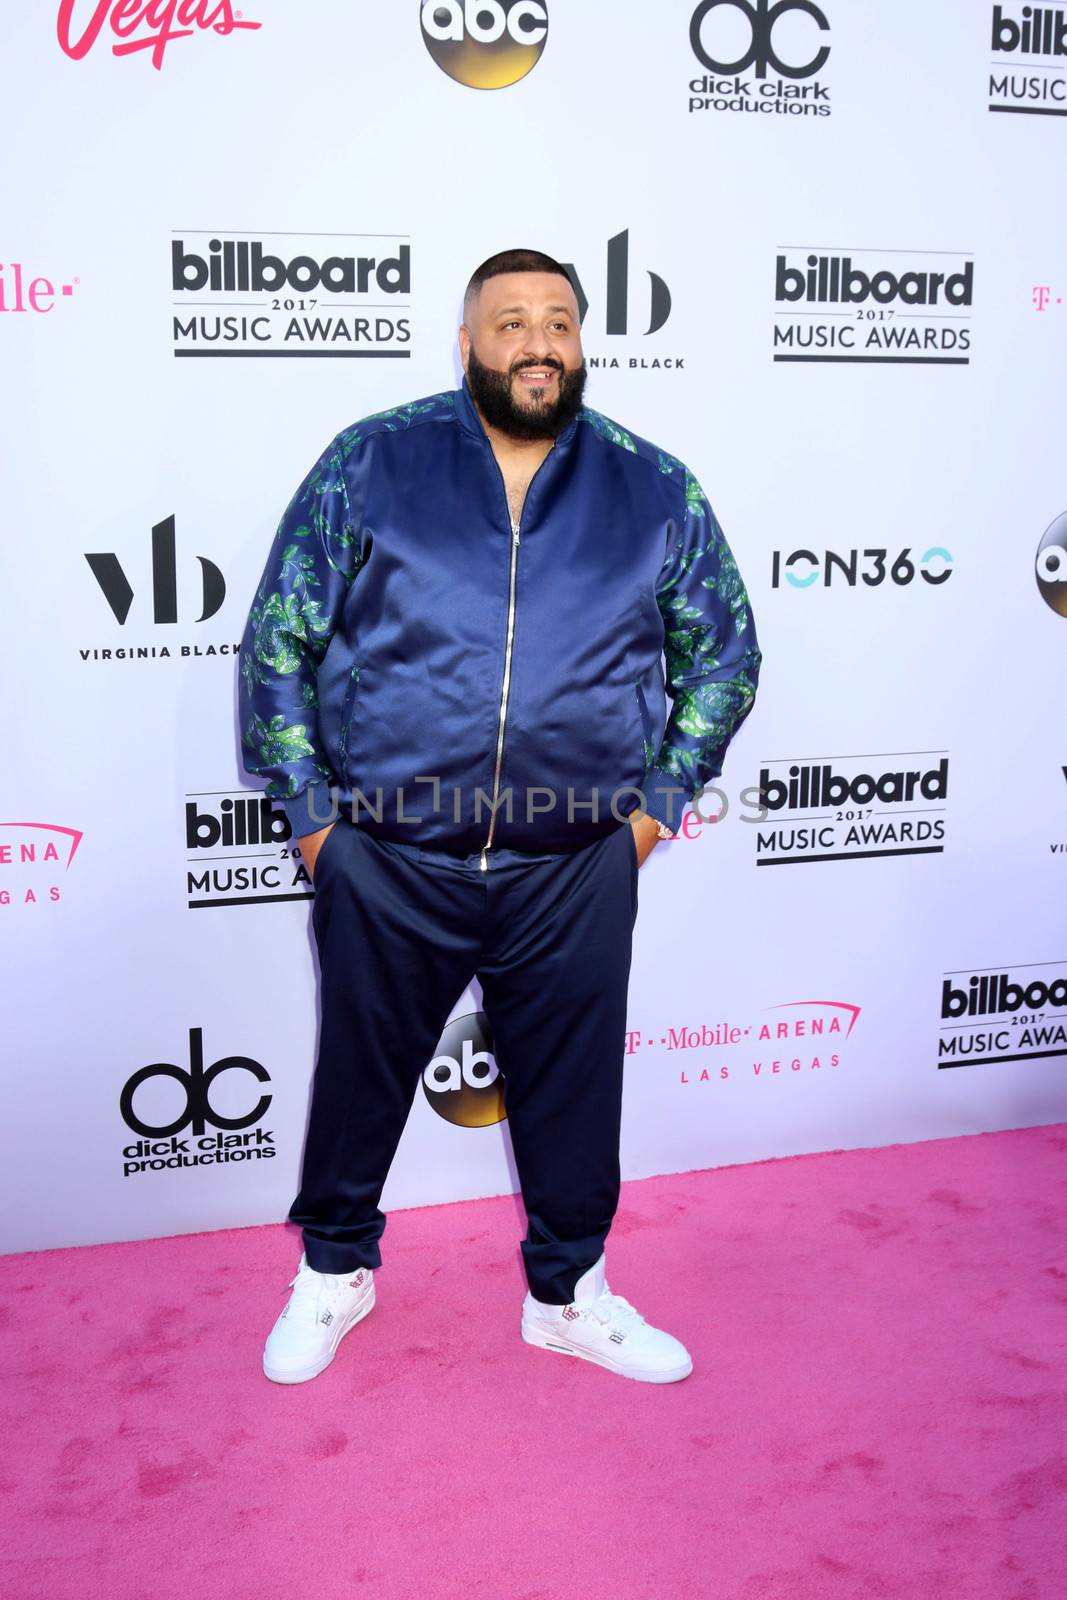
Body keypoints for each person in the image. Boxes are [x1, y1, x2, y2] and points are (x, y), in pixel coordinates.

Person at [238, 247, 760, 1386]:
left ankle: (568, 1293)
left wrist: (653, 810)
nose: (536, 342)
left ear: (581, 344)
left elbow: (720, 655)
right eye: (510, 321)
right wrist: (318, 822)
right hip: (386, 854)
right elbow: (279, 640)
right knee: (358, 1077)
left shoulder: (650, 487)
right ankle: (335, 1270)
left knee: (574, 1091)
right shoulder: (372, 463)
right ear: (466, 343)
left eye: (558, 322)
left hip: (573, 861)